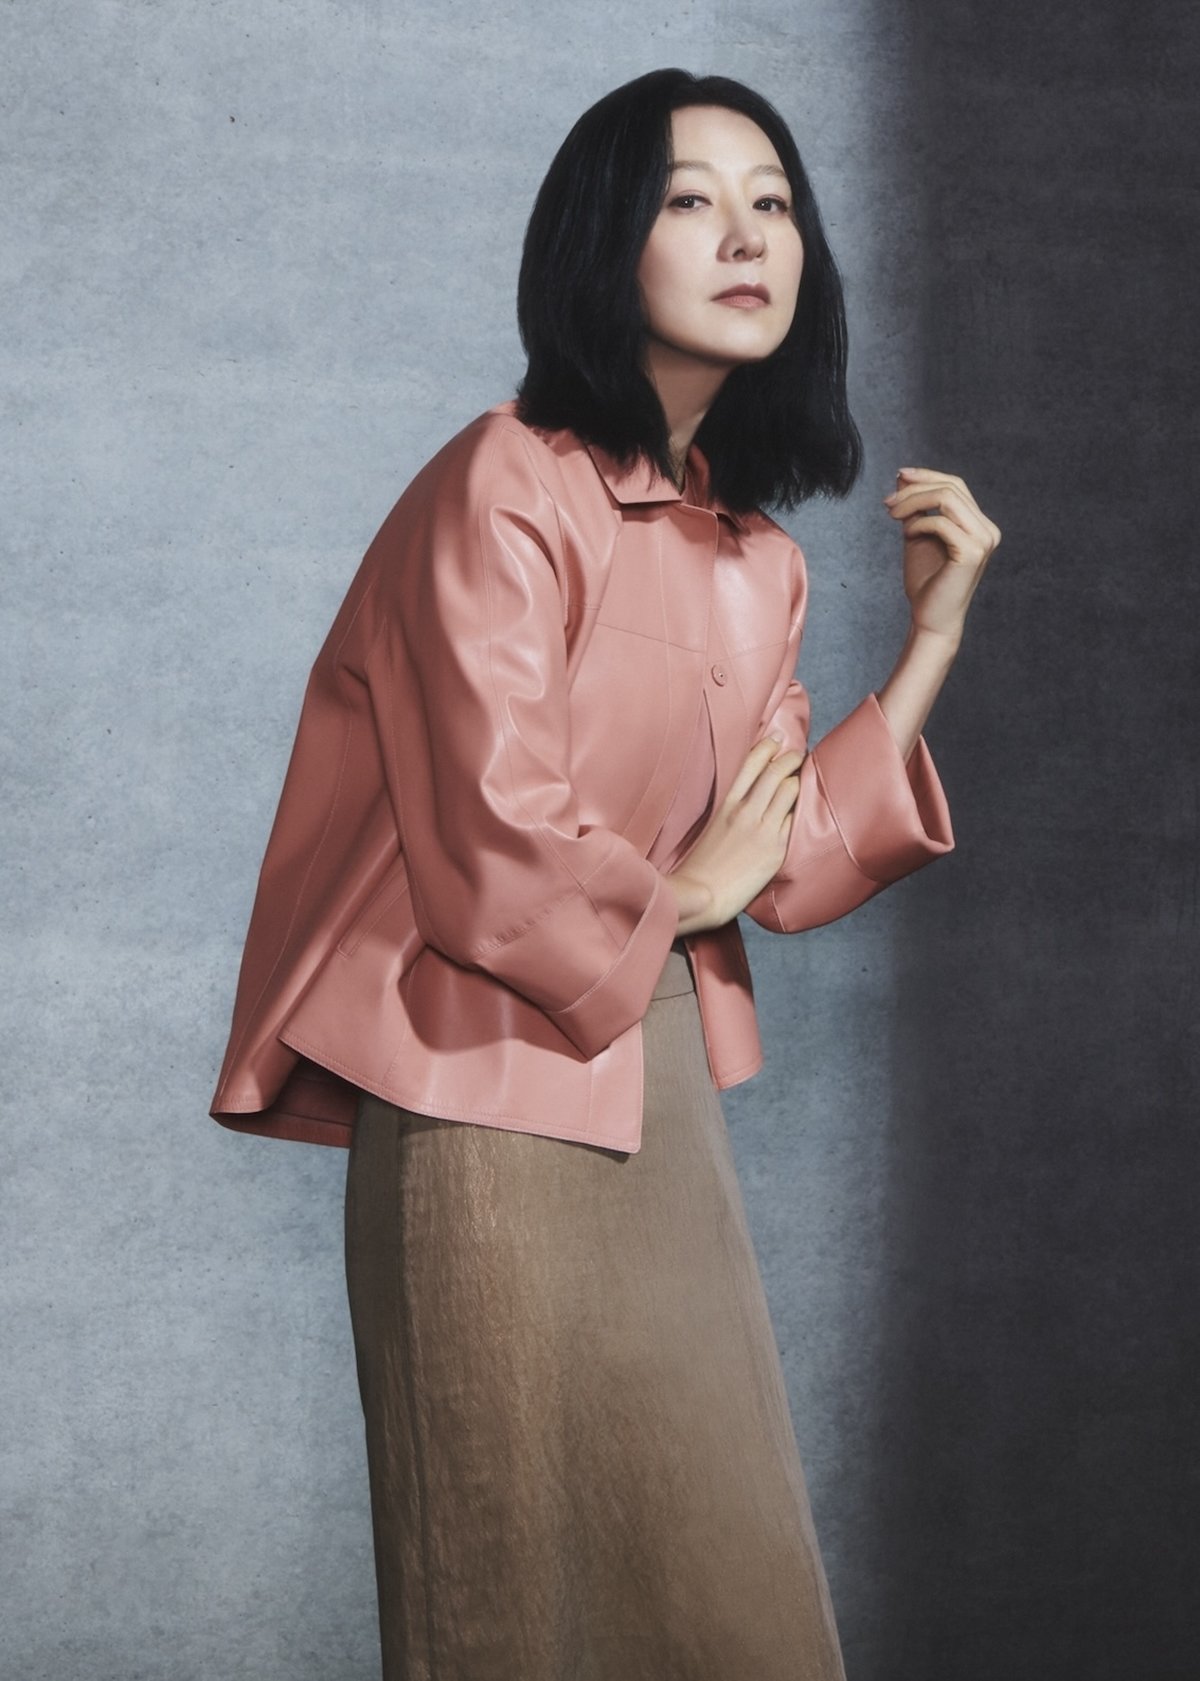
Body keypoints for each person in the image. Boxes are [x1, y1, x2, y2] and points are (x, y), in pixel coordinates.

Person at [209, 67, 1000, 1681]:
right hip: (478, 1102)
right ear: (602, 242)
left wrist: (931, 638)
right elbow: (489, 844)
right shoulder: (501, 483)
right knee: (506, 1608)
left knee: (733, 1608)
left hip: (660, 1095)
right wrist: (684, 895)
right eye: (690, 199)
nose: (747, 236)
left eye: (773, 203)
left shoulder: (757, 560)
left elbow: (786, 861)